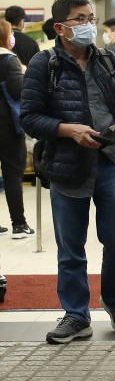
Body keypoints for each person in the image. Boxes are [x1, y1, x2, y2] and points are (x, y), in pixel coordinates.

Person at [20, 0, 115, 344]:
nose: (89, 24)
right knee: (71, 246)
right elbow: (29, 117)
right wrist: (67, 130)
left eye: (91, 17)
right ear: (60, 27)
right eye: (79, 19)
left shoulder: (108, 59)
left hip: (112, 160)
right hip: (66, 165)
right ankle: (76, 315)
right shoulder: (45, 64)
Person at [0, 19, 34, 239]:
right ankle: (19, 224)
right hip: (6, 125)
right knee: (12, 173)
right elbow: (18, 90)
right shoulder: (8, 59)